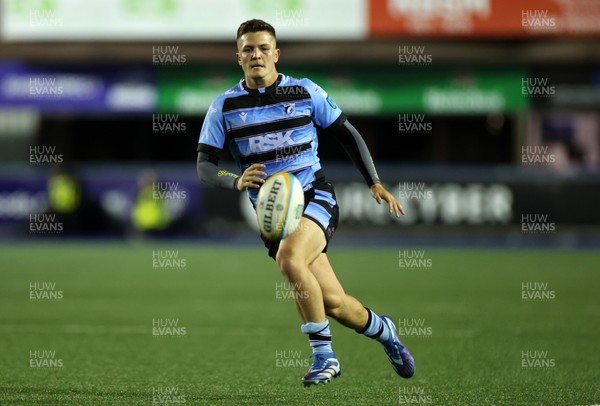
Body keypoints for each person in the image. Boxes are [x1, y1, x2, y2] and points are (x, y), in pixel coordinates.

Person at [196, 19, 414, 386]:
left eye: (264, 48)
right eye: (248, 49)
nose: (256, 55)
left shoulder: (305, 91)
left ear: (276, 54)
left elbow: (348, 135)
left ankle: (324, 356)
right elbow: (204, 167)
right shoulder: (224, 107)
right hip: (273, 215)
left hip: (314, 194)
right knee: (335, 303)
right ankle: (385, 331)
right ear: (238, 57)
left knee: (289, 258)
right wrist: (235, 181)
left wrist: (374, 182)